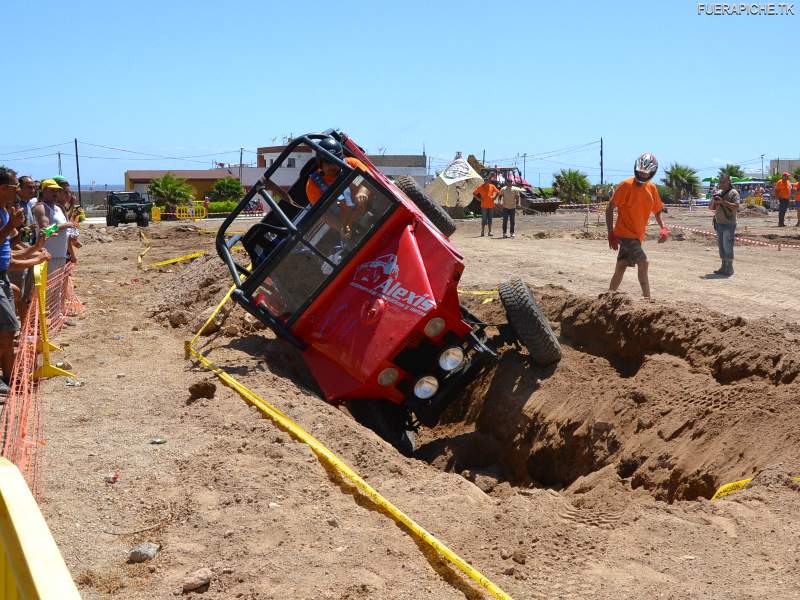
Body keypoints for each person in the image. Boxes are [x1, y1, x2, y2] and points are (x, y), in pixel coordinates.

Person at [606, 153, 669, 299]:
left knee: (621, 265)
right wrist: (610, 232)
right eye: (640, 170)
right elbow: (610, 207)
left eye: (645, 172)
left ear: (651, 173)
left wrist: (664, 228)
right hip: (624, 233)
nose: (641, 173)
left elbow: (658, 211)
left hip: (637, 236)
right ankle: (648, 299)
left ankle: (608, 296)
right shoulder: (626, 185)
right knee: (643, 262)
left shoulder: (652, 189)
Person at [305, 137, 370, 235]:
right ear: (320, 163)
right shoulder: (313, 185)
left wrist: (362, 192)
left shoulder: (352, 164)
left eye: (336, 161)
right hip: (348, 226)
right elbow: (325, 214)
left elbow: (369, 181)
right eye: (328, 162)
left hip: (371, 211)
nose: (333, 166)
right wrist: (341, 228)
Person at [709, 173, 740, 276]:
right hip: (719, 223)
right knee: (721, 246)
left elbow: (736, 206)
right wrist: (714, 199)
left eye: (723, 182)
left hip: (729, 224)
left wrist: (723, 202)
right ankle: (723, 267)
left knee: (728, 246)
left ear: (728, 181)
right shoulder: (719, 192)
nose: (721, 184)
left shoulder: (733, 193)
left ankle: (729, 268)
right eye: (720, 182)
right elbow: (711, 208)